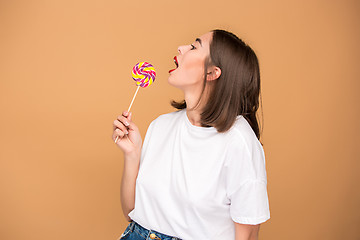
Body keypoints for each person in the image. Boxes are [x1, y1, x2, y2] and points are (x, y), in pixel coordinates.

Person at [112, 29, 270, 240]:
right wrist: (132, 154)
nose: (181, 48)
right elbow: (132, 213)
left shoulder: (239, 141)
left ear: (212, 72)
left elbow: (247, 236)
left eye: (194, 47)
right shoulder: (160, 125)